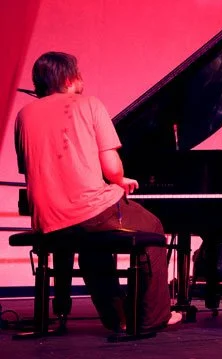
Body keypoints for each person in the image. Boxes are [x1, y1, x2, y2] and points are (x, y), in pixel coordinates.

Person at [14, 51, 180, 332]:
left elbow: (34, 167)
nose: (82, 80)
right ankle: (153, 317)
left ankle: (119, 319)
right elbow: (112, 167)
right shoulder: (89, 104)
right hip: (89, 211)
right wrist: (119, 180)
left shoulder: (23, 115)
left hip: (47, 220)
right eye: (79, 74)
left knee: (94, 246)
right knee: (152, 227)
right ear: (68, 78)